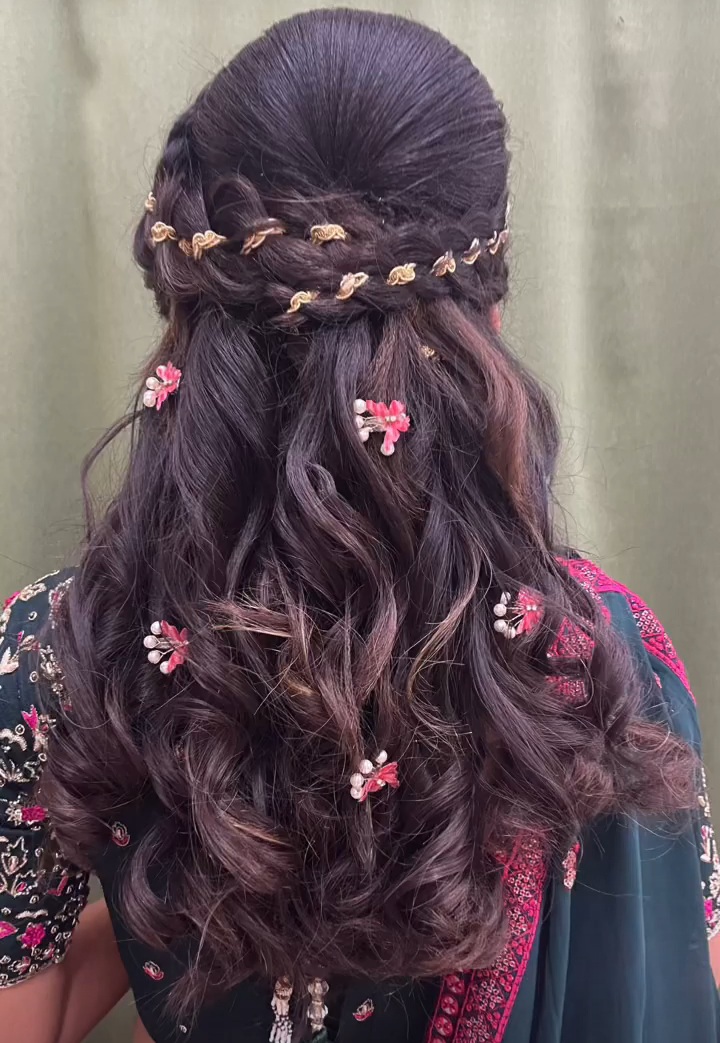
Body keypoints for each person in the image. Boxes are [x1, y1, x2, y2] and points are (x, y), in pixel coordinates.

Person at [0, 9, 718, 1043]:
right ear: (487, 319)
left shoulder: (68, 658)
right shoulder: (596, 671)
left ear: (190, 307)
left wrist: (193, 869)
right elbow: (684, 971)